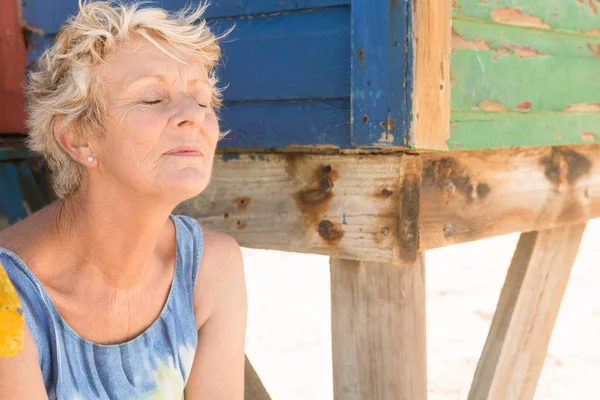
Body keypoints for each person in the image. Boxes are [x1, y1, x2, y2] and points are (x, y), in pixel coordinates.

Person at [0, 1, 247, 399]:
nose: (193, 115)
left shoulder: (211, 268)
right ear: (78, 138)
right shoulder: (7, 297)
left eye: (201, 99)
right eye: (152, 98)